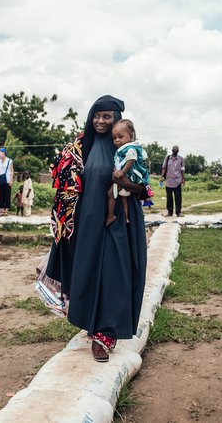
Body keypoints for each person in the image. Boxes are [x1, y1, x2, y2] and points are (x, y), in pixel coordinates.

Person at [45, 95, 147, 363]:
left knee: (116, 276)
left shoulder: (125, 148)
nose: (101, 121)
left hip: (117, 225)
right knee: (90, 274)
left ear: (116, 120)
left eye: (107, 117)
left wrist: (125, 180)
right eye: (97, 116)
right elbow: (64, 186)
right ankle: (91, 322)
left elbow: (143, 188)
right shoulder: (80, 147)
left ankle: (106, 334)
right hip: (86, 224)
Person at [105, 119, 150, 226]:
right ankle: (126, 217)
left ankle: (110, 216)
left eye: (120, 137)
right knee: (124, 198)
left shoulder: (130, 148)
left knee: (110, 194)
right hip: (125, 177)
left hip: (130, 176)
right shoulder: (123, 149)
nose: (116, 140)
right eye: (114, 138)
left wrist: (122, 172)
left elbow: (132, 159)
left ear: (130, 136)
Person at [160, 145, 185, 217]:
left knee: (178, 198)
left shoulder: (181, 159)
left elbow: (182, 169)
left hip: (177, 181)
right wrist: (161, 177)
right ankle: (169, 212)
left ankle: (178, 212)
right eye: (174, 150)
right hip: (168, 181)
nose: (175, 151)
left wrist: (183, 179)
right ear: (172, 150)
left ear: (178, 151)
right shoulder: (167, 158)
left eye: (177, 150)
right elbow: (164, 168)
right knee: (169, 198)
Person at [0, 148, 13, 216]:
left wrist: (11, 180)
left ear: (3, 153)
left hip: (7, 180)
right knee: (1, 195)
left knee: (7, 195)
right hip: (0, 180)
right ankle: (2, 209)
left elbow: (11, 170)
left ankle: (6, 210)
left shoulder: (9, 160)